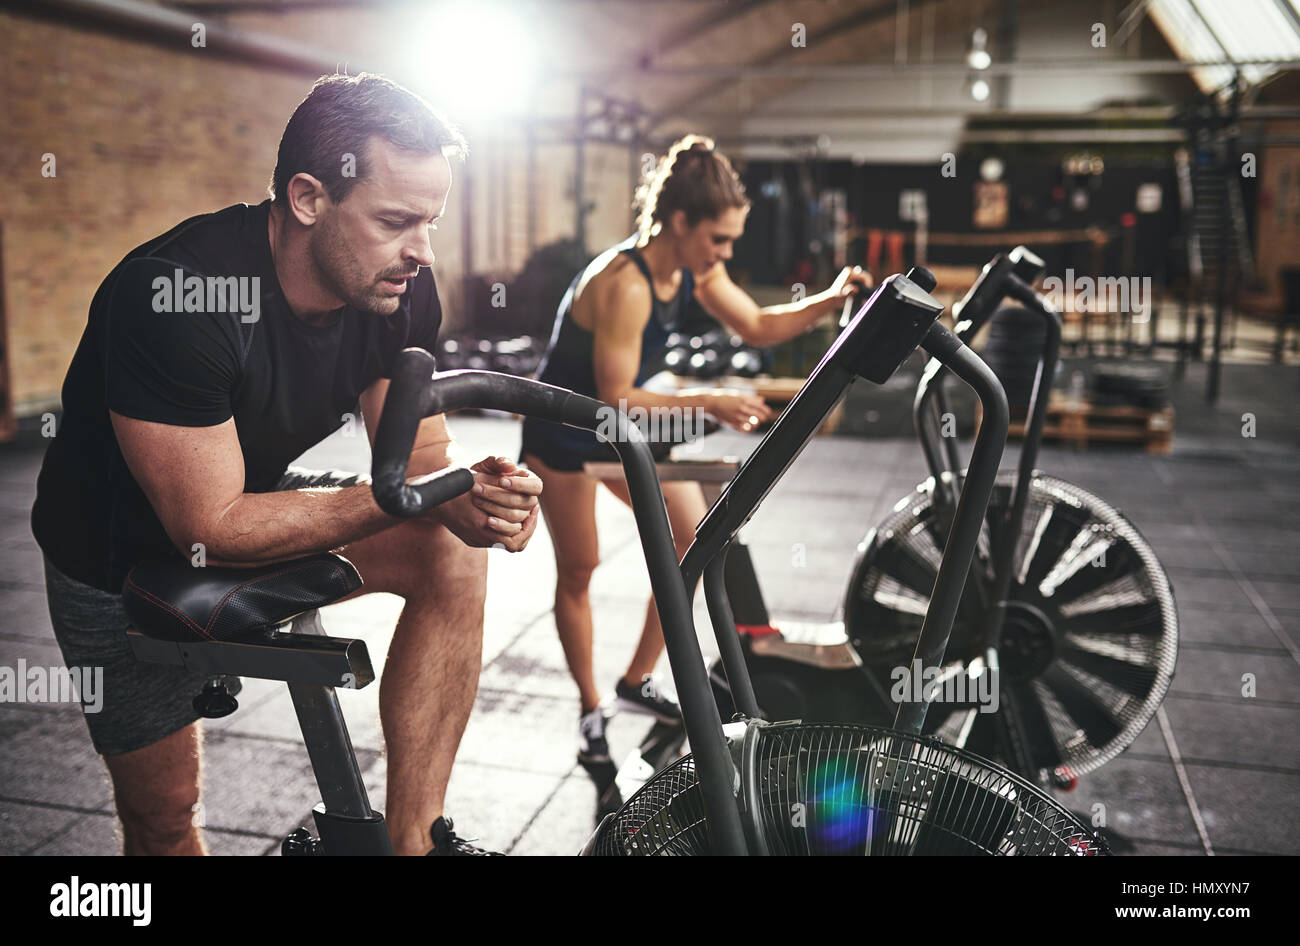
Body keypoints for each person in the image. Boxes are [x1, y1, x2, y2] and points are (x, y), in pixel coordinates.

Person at [29, 73, 542, 856]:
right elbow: (212, 524)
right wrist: (417, 495)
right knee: (165, 818)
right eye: (398, 220)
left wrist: (473, 499)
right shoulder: (179, 295)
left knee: (450, 550)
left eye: (431, 222)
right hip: (115, 556)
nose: (423, 251)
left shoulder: (396, 288)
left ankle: (415, 841)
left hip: (246, 494)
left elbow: (418, 456)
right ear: (308, 198)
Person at [520, 135, 870, 764]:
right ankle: (590, 709)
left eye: (732, 241)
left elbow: (758, 326)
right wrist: (709, 401)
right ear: (679, 222)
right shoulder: (625, 284)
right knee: (581, 568)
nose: (726, 253)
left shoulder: (691, 268)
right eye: (719, 239)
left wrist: (838, 298)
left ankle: (636, 681)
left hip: (622, 430)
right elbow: (617, 395)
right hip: (564, 432)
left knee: (694, 544)